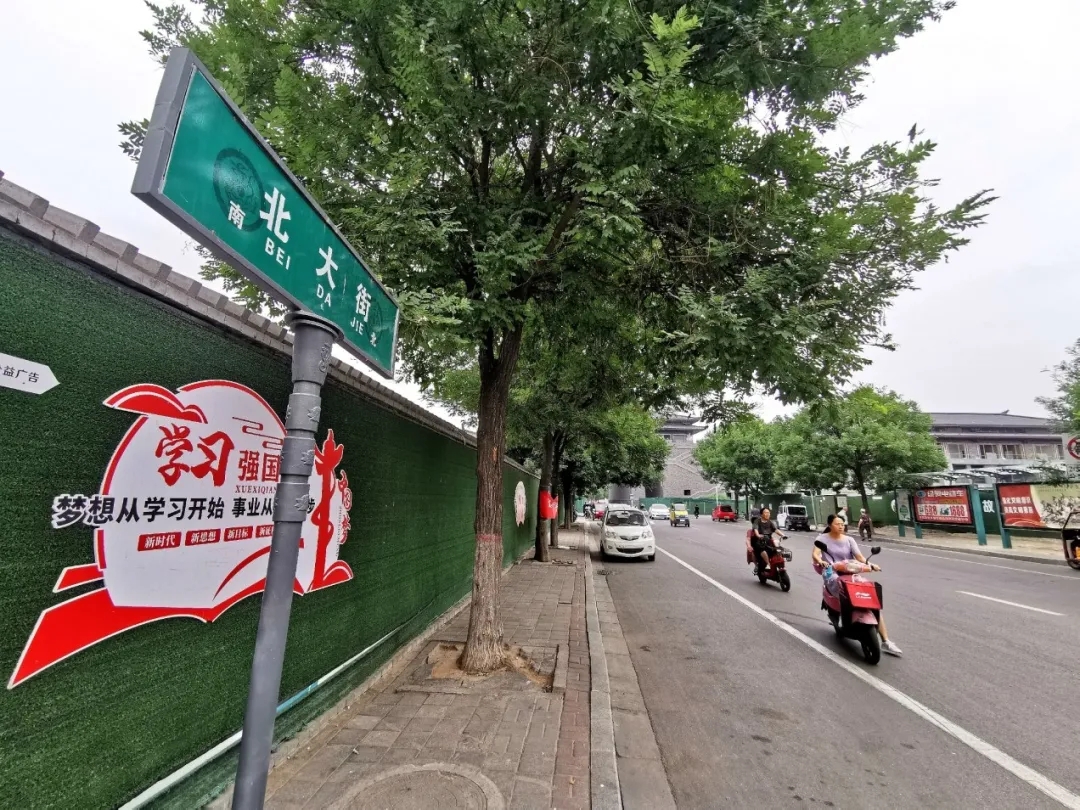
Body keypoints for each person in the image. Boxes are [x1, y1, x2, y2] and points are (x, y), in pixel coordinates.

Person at [812, 514, 902, 657]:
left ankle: (886, 641)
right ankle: (842, 618)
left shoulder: (849, 540)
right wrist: (821, 561)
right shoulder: (821, 539)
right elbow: (816, 554)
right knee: (841, 589)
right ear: (829, 525)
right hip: (832, 571)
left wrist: (871, 564)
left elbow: (859, 557)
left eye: (842, 524)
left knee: (871, 598)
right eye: (837, 524)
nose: (841, 526)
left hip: (850, 570)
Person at [748, 507, 784, 575]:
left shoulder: (770, 522)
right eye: (766, 512)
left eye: (768, 513)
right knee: (763, 550)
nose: (768, 514)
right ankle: (768, 564)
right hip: (760, 541)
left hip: (768, 540)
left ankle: (780, 563)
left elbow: (775, 530)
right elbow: (755, 530)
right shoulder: (757, 521)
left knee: (778, 548)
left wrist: (783, 535)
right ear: (761, 514)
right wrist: (758, 535)